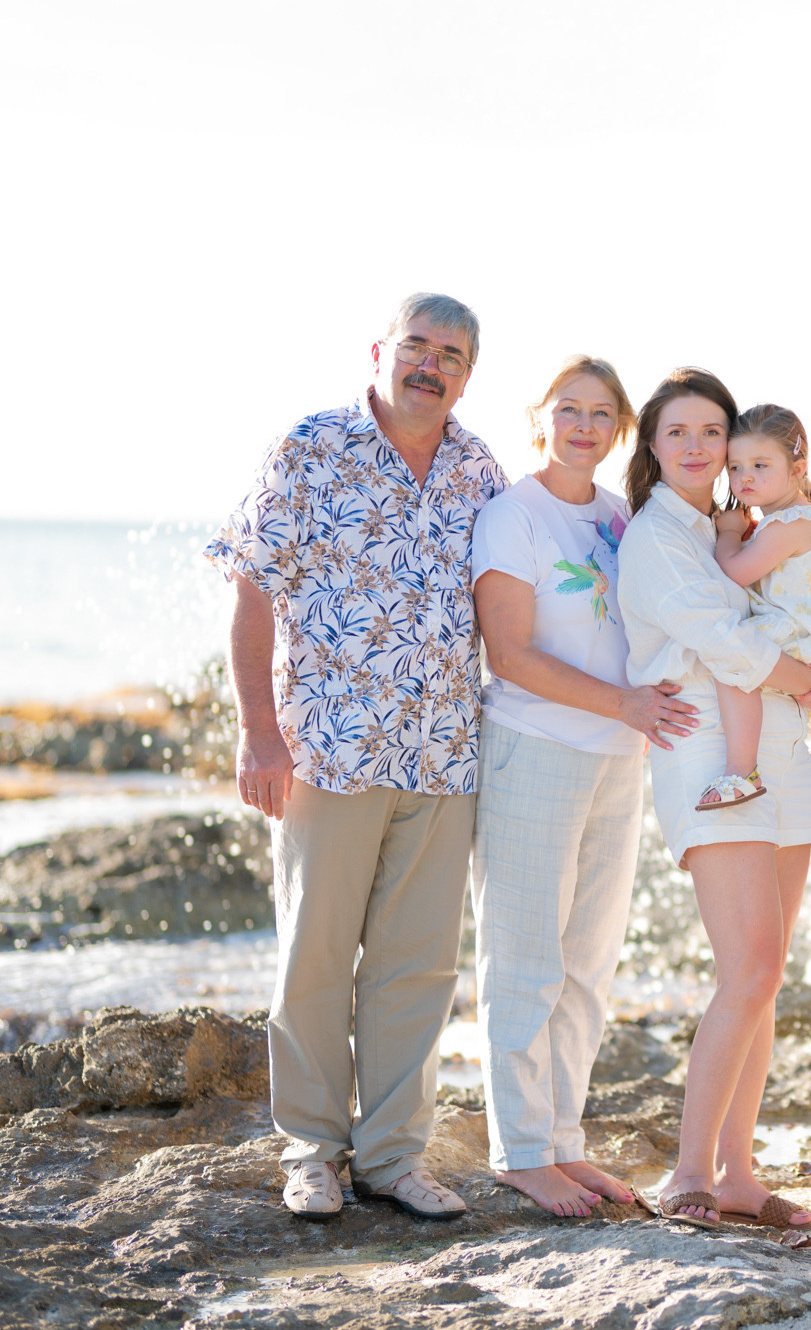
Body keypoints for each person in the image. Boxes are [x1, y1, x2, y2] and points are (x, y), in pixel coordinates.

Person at [206, 292, 506, 1221]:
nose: (432, 364)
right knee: (315, 955)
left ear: (467, 372)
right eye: (417, 345)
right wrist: (258, 729)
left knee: (416, 967)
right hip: (328, 749)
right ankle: (310, 1152)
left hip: (445, 755)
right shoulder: (310, 446)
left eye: (451, 354)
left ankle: (391, 1155)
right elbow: (252, 590)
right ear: (380, 350)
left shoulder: (478, 469)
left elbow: (513, 603)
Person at [615, 368, 811, 1231]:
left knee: (765, 975)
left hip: (779, 746)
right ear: (651, 443)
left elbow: (778, 612)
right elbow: (726, 641)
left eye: (711, 433)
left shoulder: (729, 528)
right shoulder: (655, 538)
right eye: (678, 432)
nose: (697, 447)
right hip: (714, 756)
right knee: (747, 969)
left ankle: (739, 1172)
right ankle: (689, 1174)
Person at [469, 356, 699, 1216]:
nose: (585, 426)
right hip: (535, 749)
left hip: (618, 757)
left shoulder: (620, 517)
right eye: (570, 409)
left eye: (603, 414)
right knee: (524, 957)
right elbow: (511, 655)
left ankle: (563, 1140)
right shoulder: (511, 517)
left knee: (588, 963)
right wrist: (626, 704)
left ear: (620, 429)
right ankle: (520, 1151)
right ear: (541, 416)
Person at [699, 405, 811, 812]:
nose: (745, 478)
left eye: (760, 464)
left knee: (732, 658)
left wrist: (730, 533)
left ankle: (742, 770)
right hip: (810, 633)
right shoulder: (799, 520)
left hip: (803, 634)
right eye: (734, 467)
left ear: (797, 468)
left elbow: (734, 571)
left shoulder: (786, 525)